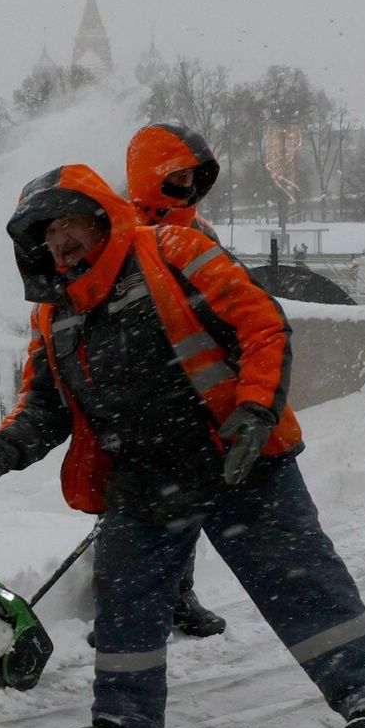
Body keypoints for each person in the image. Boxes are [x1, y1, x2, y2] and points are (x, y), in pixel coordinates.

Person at [0, 164, 365, 728]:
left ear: (101, 214)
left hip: (234, 455)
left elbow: (261, 326)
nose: (59, 240)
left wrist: (257, 409)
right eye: (44, 234)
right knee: (129, 598)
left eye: (67, 222)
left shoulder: (175, 251)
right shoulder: (53, 315)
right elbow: (44, 407)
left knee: (298, 578)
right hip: (141, 474)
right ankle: (125, 717)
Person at [122, 123, 231, 638]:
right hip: (132, 391)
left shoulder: (201, 235)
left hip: (191, 394)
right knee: (129, 506)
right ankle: (125, 605)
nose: (186, 188)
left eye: (193, 178)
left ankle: (177, 594)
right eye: (176, 177)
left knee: (185, 504)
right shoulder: (119, 231)